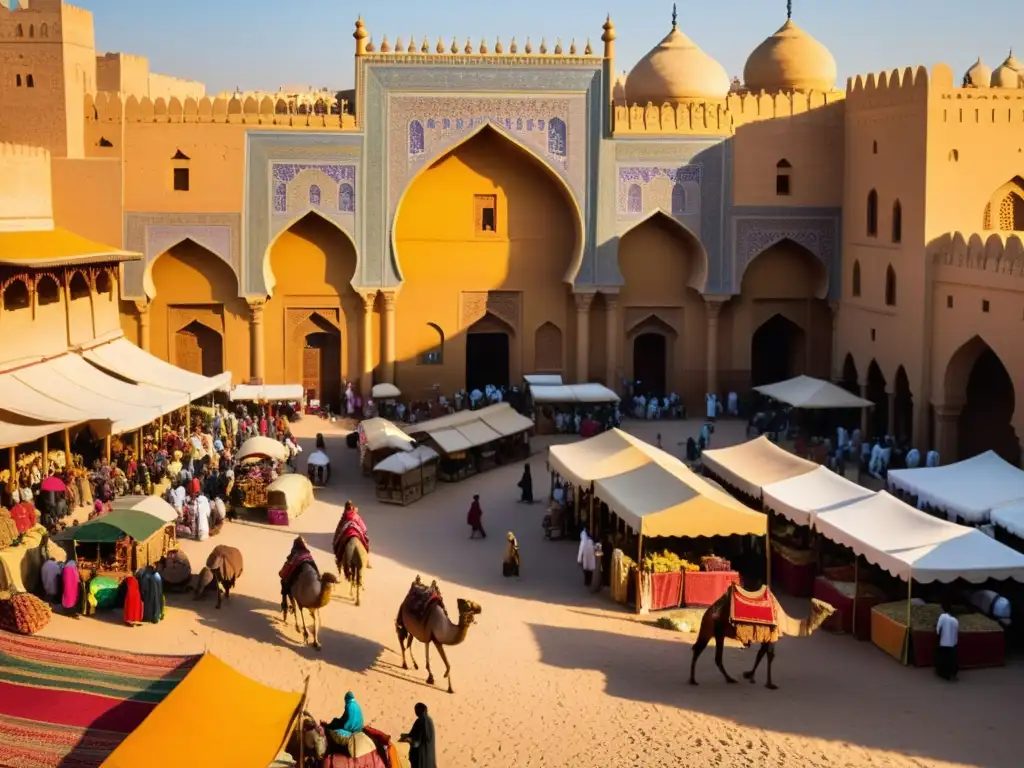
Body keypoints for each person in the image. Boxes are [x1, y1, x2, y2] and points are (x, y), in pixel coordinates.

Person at [326, 691, 365, 755]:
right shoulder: (356, 704)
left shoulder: (349, 705)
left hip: (352, 728)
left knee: (335, 730)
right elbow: (344, 717)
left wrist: (341, 724)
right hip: (358, 728)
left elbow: (347, 719)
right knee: (336, 721)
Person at [400, 702, 436, 768]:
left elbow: (416, 742)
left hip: (422, 758)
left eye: (416, 709)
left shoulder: (421, 720)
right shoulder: (429, 720)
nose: (415, 712)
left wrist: (408, 740)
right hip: (430, 757)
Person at [936, 602, 959, 681]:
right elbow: (956, 634)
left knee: (943, 659)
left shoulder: (943, 616)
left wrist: (938, 634)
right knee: (951, 660)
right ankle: (952, 673)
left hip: (944, 643)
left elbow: (938, 629)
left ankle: (944, 674)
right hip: (952, 644)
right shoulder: (955, 621)